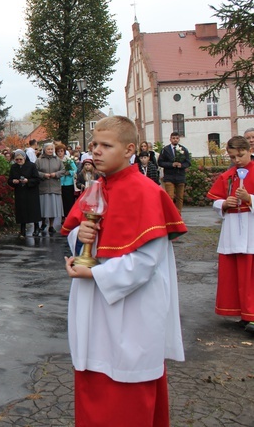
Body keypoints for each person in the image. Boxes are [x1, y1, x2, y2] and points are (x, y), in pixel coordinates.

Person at [61, 116, 186, 426]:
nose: (97, 151)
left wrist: (95, 273)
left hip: (132, 309)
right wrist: (79, 244)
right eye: (94, 145)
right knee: (94, 377)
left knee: (127, 391)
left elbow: (146, 261)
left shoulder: (146, 191)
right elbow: (76, 234)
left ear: (130, 149)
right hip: (93, 303)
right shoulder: (95, 188)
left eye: (106, 145)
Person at [206, 135, 254, 335]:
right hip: (233, 228)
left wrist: (249, 199)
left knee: (250, 273)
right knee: (235, 273)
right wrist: (224, 204)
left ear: (249, 150)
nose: (237, 161)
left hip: (251, 227)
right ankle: (242, 312)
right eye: (233, 157)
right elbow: (215, 200)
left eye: (240, 155)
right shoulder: (227, 176)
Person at [8, 150, 42, 238]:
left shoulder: (31, 166)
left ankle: (36, 228)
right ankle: (22, 230)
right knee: (21, 210)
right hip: (20, 191)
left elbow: (37, 179)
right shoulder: (14, 167)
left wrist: (28, 181)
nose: (19, 161)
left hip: (31, 191)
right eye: (17, 160)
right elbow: (9, 180)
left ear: (24, 158)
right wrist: (13, 181)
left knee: (33, 210)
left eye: (20, 159)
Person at [158, 132, 191, 213]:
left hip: (180, 176)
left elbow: (188, 162)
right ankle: (171, 214)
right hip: (169, 176)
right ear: (170, 139)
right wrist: (171, 164)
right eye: (173, 138)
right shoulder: (165, 150)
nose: (175, 140)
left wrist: (182, 165)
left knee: (180, 197)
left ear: (179, 139)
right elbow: (160, 162)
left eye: (176, 138)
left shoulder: (183, 149)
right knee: (170, 196)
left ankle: (178, 214)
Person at [36, 142, 65, 234]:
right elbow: (35, 171)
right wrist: (43, 175)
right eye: (48, 149)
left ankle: (51, 226)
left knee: (52, 208)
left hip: (54, 187)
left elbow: (63, 170)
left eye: (51, 149)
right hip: (43, 187)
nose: (50, 151)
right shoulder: (39, 160)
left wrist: (55, 174)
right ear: (44, 150)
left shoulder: (58, 160)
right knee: (43, 208)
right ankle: (43, 223)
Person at [56, 143, 77, 219]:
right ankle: (62, 216)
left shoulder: (68, 159)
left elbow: (75, 170)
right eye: (58, 151)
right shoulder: (55, 160)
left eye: (61, 151)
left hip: (68, 183)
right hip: (59, 183)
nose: (60, 153)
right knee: (61, 201)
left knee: (69, 201)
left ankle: (69, 216)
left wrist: (69, 172)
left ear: (64, 151)